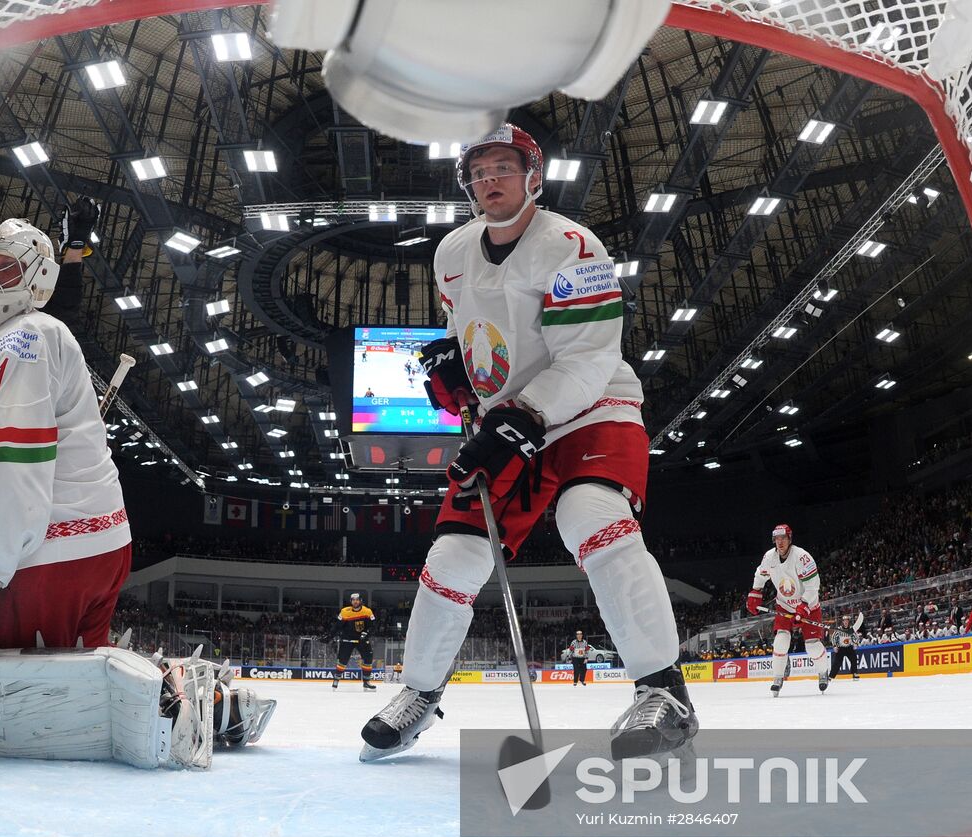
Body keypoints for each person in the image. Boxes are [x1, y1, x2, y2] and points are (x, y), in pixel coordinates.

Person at [0, 206, 272, 768]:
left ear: (36, 279)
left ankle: (176, 708)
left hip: (45, 555)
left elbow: (7, 477)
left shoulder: (18, 342)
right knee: (75, 667)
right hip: (86, 546)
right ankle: (213, 703)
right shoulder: (23, 339)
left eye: (1, 269)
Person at [360, 124, 693, 763]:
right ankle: (419, 694)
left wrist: (523, 414)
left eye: (503, 167)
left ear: (532, 176)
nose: (490, 179)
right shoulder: (452, 252)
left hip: (588, 407)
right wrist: (455, 365)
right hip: (506, 419)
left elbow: (588, 356)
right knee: (454, 555)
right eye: (479, 171)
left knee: (591, 515)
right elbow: (470, 332)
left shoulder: (572, 247)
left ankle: (664, 692)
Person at [746, 523, 827, 696]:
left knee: (812, 646)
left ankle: (823, 672)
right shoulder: (769, 557)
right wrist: (755, 592)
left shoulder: (802, 557)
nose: (780, 542)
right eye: (777, 538)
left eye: (783, 538)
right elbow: (760, 574)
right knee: (781, 641)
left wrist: (803, 606)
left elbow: (813, 586)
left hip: (809, 606)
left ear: (790, 539)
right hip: (784, 605)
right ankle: (777, 677)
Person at [329, 592, 377, 691]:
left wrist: (367, 633)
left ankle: (366, 682)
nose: (355, 602)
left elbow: (373, 626)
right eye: (353, 600)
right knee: (342, 661)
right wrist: (330, 636)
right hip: (348, 640)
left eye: (357, 600)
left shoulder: (367, 611)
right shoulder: (344, 611)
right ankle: (336, 680)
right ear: (351, 601)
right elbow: (337, 626)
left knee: (368, 658)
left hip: (362, 640)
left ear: (360, 601)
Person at [829, 612, 862, 680]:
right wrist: (835, 646)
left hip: (849, 647)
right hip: (841, 648)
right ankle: (831, 676)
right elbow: (833, 637)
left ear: (848, 621)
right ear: (843, 622)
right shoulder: (839, 629)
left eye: (847, 620)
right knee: (837, 663)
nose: (846, 622)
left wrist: (855, 643)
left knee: (854, 659)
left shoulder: (852, 629)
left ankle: (855, 673)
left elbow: (856, 637)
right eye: (844, 621)